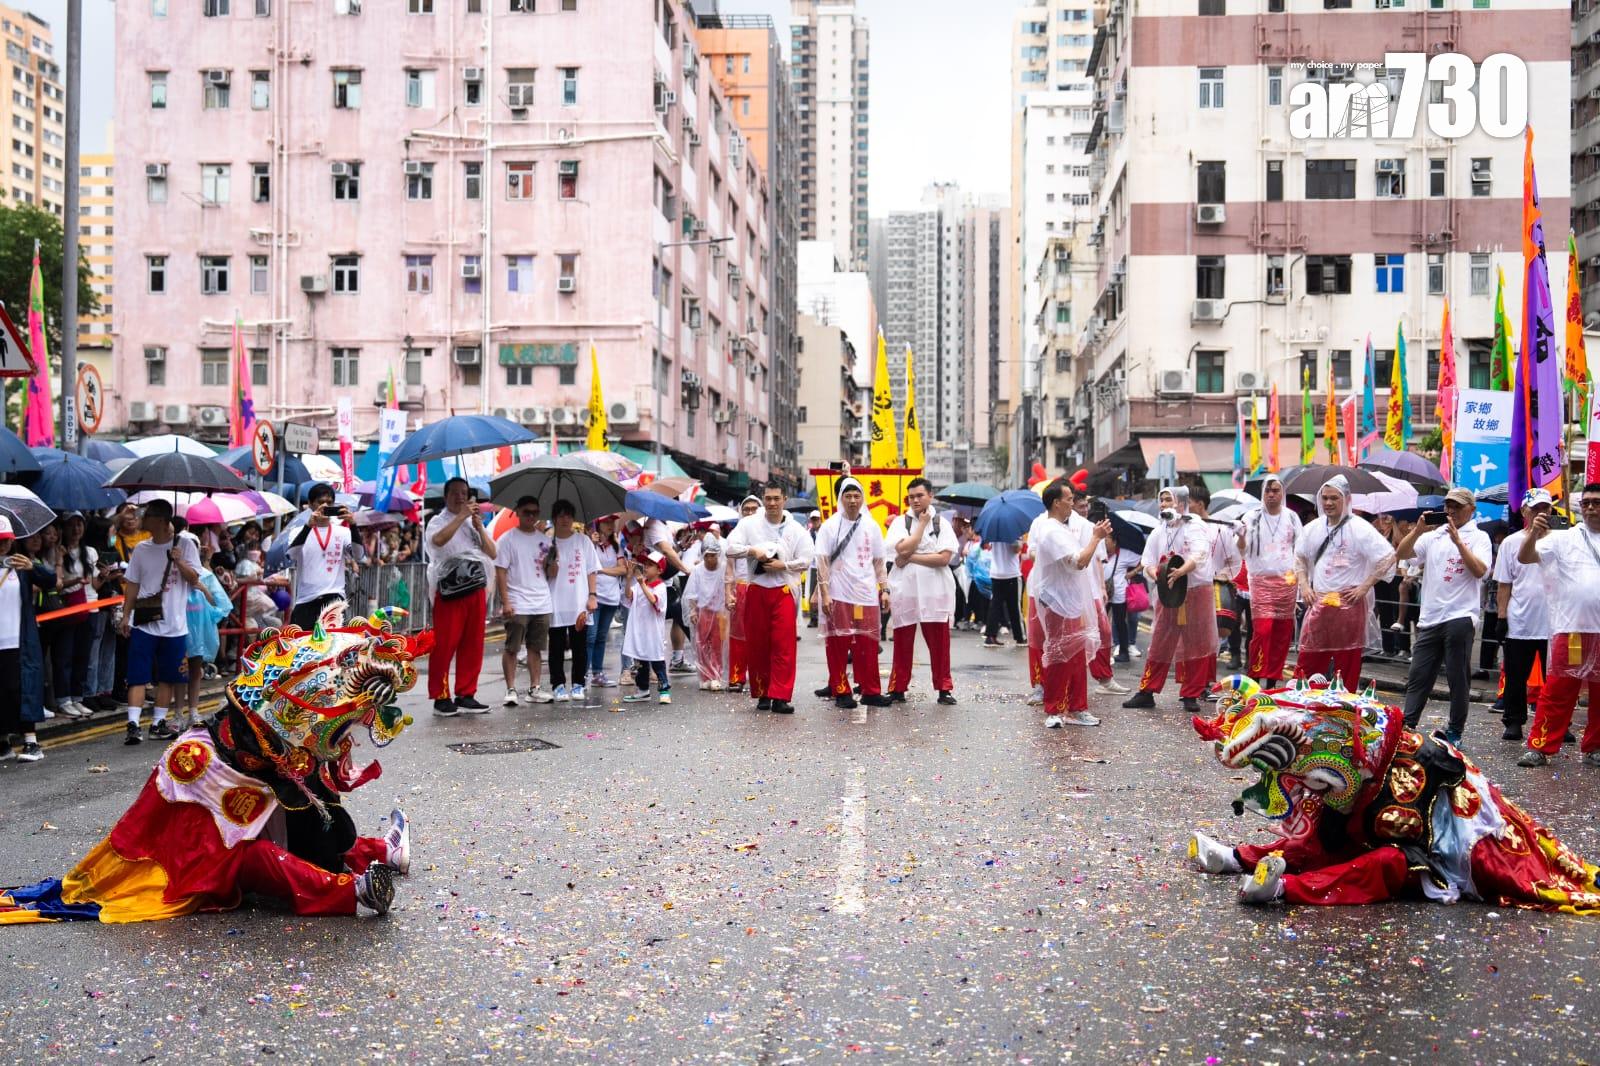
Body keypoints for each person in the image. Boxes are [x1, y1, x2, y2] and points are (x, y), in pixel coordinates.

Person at [1394, 487, 1490, 744]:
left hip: (1460, 616)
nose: (1451, 511)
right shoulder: (1433, 535)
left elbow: (1480, 571)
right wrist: (1417, 530)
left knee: (1458, 678)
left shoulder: (1479, 537)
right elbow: (1402, 554)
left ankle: (1455, 731)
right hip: (1431, 617)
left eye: (1458, 506)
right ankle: (1408, 724)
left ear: (1471, 509)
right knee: (1418, 675)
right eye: (1448, 506)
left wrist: (1459, 542)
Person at [1516, 482, 1600, 767]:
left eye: (1597, 502)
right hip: (1574, 630)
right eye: (1586, 502)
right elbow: (1526, 557)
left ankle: (1595, 748)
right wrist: (1534, 535)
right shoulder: (1565, 537)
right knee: (1559, 690)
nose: (1590, 507)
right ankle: (1540, 747)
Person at [1292, 476, 1395, 690]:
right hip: (1319, 603)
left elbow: (1387, 558)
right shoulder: (1313, 528)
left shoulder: (1360, 528)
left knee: (1346, 663)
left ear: (1346, 499)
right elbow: (1299, 557)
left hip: (1349, 605)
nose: (1328, 503)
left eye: (1334, 498)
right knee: (1309, 659)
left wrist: (1365, 586)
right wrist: (1304, 585)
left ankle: (1344, 712)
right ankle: (1302, 707)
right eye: (1325, 498)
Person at [1122, 486, 1217, 713]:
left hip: (1196, 592)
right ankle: (1147, 691)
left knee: (1196, 643)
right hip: (1168, 593)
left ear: (1181, 503)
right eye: (1161, 500)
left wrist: (1182, 571)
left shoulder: (1195, 526)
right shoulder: (1159, 532)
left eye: (1168, 500)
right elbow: (1147, 562)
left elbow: (1200, 554)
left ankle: (1191, 694)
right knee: (1160, 642)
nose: (1163, 505)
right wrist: (1158, 574)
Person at [119, 500, 204, 744]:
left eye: (147, 516)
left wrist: (179, 561)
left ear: (161, 519)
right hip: (144, 623)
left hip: (175, 625)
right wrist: (126, 615)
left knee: (169, 677)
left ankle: (158, 723)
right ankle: (133, 724)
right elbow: (132, 584)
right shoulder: (142, 549)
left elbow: (194, 578)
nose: (143, 520)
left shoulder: (186, 544)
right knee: (137, 675)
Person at [724, 484, 814, 714]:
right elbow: (729, 547)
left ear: (784, 499)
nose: (772, 503)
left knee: (783, 646)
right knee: (757, 645)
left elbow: (806, 559)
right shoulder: (749, 524)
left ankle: (781, 696)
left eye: (776, 498)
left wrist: (783, 565)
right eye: (768, 499)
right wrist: (752, 551)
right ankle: (763, 693)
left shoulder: (797, 529)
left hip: (783, 590)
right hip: (756, 590)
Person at [1031, 481, 1110, 727]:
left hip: (1071, 601)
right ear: (1056, 503)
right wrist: (1097, 538)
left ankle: (1078, 708)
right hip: (1058, 602)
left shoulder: (1063, 527)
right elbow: (1079, 562)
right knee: (1059, 655)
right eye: (1069, 499)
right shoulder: (1050, 530)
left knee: (1076, 656)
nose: (1072, 503)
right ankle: (1054, 710)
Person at [815, 476, 892, 710]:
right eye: (847, 496)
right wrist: (825, 593)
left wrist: (884, 589)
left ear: (862, 498)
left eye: (856, 496)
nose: (852, 500)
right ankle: (841, 690)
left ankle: (871, 690)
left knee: (868, 643)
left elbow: (880, 561)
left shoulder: (872, 526)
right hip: (839, 594)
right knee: (838, 643)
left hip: (866, 594)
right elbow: (822, 561)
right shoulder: (830, 526)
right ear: (841, 498)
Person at [425, 477, 496, 717]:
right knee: (445, 644)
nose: (460, 497)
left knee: (473, 643)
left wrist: (478, 526)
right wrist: (460, 517)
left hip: (475, 588)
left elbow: (492, 552)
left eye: (464, 492)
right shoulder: (438, 521)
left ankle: (466, 693)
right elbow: (438, 541)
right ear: (446, 496)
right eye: (455, 492)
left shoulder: (472, 523)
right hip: (450, 590)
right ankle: (441, 696)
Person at [886, 478, 959, 704]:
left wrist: (909, 557)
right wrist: (919, 528)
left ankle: (944, 688)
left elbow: (943, 558)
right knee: (902, 641)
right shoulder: (901, 522)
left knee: (939, 643)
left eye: (920, 495)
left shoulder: (942, 524)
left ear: (930, 495)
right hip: (905, 591)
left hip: (935, 592)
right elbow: (900, 548)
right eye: (911, 497)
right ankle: (897, 687)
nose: (915, 500)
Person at [1495, 489, 1553, 742]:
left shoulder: (1562, 539)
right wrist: (1501, 617)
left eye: (1546, 508)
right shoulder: (1510, 542)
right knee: (1516, 676)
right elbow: (1504, 584)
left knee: (1557, 678)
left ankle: (1559, 723)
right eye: (1536, 508)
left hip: (1556, 621)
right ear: (1524, 511)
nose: (1541, 513)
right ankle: (1514, 721)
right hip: (1521, 620)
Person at [1236, 473, 1303, 686]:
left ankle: (1272, 680)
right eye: (1268, 490)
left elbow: (1301, 550)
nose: (1272, 494)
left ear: (1282, 493)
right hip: (1261, 581)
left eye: (1276, 490)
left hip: (1287, 583)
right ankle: (1255, 675)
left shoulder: (1292, 517)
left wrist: (1302, 583)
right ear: (1262, 492)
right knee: (1263, 631)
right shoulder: (1251, 517)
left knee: (1282, 634)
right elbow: (1242, 550)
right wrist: (1240, 536)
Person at [0, 517, 55, 762]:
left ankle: (31, 742)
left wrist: (34, 567)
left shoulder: (21, 565)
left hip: (20, 639)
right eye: (0, 541)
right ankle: (4, 743)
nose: (4, 546)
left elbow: (50, 581)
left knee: (24, 687)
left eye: (7, 541)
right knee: (3, 691)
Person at [494, 496, 554, 707]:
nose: (531, 516)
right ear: (517, 512)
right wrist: (506, 601)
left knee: (535, 648)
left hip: (542, 600)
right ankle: (510, 689)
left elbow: (550, 572)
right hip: (518, 601)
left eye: (535, 512)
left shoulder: (546, 541)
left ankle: (534, 688)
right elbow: (500, 571)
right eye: (526, 511)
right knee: (512, 647)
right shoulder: (507, 539)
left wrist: (553, 562)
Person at [544, 500, 600, 702]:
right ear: (554, 518)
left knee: (580, 646)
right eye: (560, 515)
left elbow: (592, 570)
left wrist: (592, 596)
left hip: (579, 602)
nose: (565, 519)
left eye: (568, 515)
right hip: (556, 601)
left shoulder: (583, 541)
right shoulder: (547, 543)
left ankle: (578, 684)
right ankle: (558, 685)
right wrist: (553, 558)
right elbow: (549, 574)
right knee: (556, 646)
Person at [1074, 489, 1126, 696]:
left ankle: (1104, 678)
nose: (1085, 509)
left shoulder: (1093, 529)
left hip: (1093, 591)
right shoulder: (1060, 528)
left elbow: (1097, 561)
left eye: (1086, 506)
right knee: (1073, 638)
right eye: (1080, 506)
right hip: (1072, 593)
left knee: (1103, 633)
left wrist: (1102, 588)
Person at [49, 512, 98, 719]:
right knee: (64, 656)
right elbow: (55, 583)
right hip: (67, 608)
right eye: (71, 525)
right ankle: (63, 699)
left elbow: (94, 583)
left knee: (82, 656)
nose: (76, 529)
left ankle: (77, 697)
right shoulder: (56, 553)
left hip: (89, 606)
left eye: (80, 524)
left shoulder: (90, 552)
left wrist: (104, 575)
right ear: (63, 528)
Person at [287, 483, 353, 631]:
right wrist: (308, 527)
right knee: (300, 647)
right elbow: (291, 556)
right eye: (320, 502)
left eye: (329, 502)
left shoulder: (343, 532)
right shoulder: (297, 531)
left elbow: (359, 555)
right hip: (306, 600)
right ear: (310, 504)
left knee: (335, 649)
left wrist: (353, 525)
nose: (324, 505)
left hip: (334, 599)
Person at [182, 541, 230, 731]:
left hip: (199, 630)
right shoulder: (175, 574)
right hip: (177, 628)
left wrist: (203, 588)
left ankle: (192, 710)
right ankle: (178, 711)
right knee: (178, 672)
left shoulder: (207, 576)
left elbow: (221, 605)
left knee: (194, 669)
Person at [621, 551, 672, 704]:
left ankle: (664, 690)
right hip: (639, 630)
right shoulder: (640, 584)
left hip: (652, 632)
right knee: (640, 661)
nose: (646, 568)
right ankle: (643, 690)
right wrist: (629, 578)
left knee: (656, 660)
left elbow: (654, 601)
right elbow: (629, 596)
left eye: (650, 565)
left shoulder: (660, 586)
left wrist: (642, 584)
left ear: (659, 570)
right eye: (645, 565)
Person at [683, 535, 729, 690]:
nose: (710, 559)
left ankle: (716, 676)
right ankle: (705, 676)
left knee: (717, 645)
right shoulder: (697, 570)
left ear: (718, 555)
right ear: (703, 555)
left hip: (719, 614)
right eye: (707, 556)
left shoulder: (723, 568)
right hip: (703, 612)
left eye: (713, 555)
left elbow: (728, 588)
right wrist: (693, 611)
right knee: (702, 645)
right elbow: (691, 593)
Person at [586, 514, 626, 689]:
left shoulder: (616, 546)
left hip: (611, 597)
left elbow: (623, 569)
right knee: (591, 636)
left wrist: (601, 570)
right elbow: (588, 567)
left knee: (601, 636)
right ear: (598, 525)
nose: (611, 525)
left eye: (612, 522)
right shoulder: (590, 545)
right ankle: (583, 673)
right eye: (607, 522)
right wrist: (592, 543)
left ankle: (597, 673)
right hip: (595, 596)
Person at [725, 495, 761, 691]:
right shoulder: (734, 535)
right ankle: (737, 676)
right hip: (740, 587)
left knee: (760, 635)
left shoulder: (767, 533)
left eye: (754, 509)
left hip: (761, 587)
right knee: (738, 635)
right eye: (746, 509)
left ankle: (759, 677)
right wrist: (727, 592)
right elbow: (729, 568)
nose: (749, 512)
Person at [984, 530, 1025, 649]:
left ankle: (990, 636)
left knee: (995, 605)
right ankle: (1020, 636)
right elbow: (1016, 549)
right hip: (1011, 572)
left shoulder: (994, 529)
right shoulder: (1014, 530)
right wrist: (1020, 542)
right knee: (1015, 607)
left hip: (996, 572)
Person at [804, 510, 823, 628]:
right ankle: (813, 617)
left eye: (817, 519)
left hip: (824, 566)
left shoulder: (825, 531)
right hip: (813, 567)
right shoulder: (808, 533)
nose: (815, 521)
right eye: (813, 519)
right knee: (812, 592)